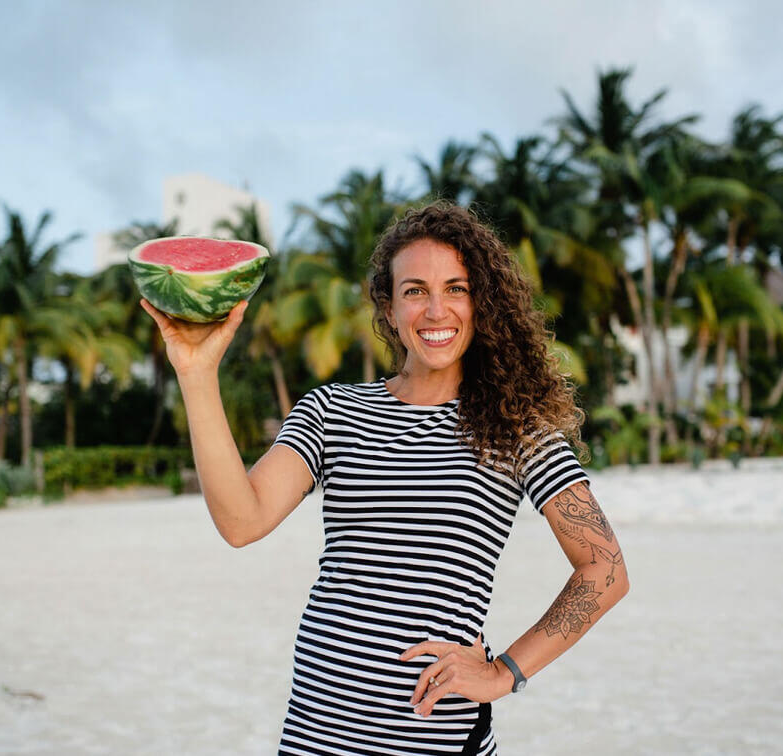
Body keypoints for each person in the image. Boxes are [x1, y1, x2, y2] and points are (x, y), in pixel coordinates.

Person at [141, 202, 629, 755]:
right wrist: (198, 373)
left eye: (457, 288)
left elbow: (606, 570)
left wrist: (504, 672)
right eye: (415, 290)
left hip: (434, 738)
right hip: (316, 730)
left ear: (483, 304)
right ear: (390, 309)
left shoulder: (516, 430)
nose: (436, 309)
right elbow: (241, 521)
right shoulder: (332, 410)